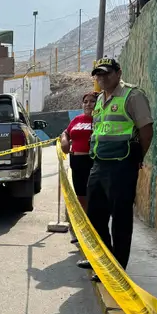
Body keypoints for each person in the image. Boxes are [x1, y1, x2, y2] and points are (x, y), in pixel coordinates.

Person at [77, 57, 154, 274]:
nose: (102, 78)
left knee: (120, 218)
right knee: (95, 215)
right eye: (98, 75)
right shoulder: (100, 99)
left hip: (122, 165)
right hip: (99, 164)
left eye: (107, 73)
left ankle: (117, 269)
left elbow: (146, 131)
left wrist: (136, 157)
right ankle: (103, 261)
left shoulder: (133, 96)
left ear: (118, 73)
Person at [60, 91, 96, 244]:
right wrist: (64, 140)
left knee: (93, 198)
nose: (88, 104)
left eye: (92, 101)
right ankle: (82, 231)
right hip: (76, 162)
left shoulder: (99, 119)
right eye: (85, 101)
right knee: (81, 197)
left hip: (92, 162)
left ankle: (94, 231)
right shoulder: (77, 119)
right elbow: (66, 132)